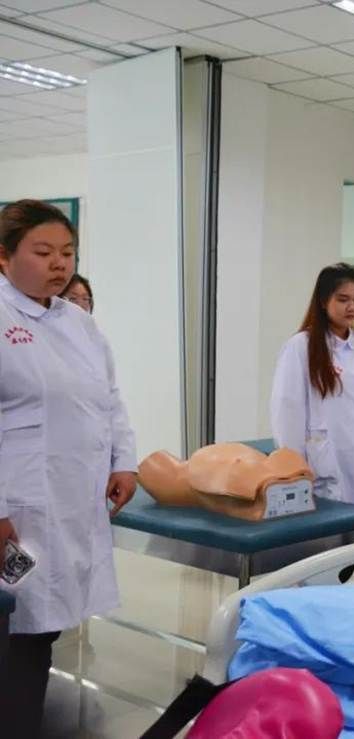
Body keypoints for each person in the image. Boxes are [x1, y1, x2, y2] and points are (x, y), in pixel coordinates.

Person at [0, 200, 137, 738]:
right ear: (4, 257)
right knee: (17, 624)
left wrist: (124, 461)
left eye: (67, 252)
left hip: (72, 500)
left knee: (45, 623)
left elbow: (109, 397)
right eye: (43, 252)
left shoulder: (78, 322)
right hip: (18, 510)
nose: (59, 263)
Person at [270, 263, 354, 506]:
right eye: (343, 299)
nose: (352, 307)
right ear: (323, 301)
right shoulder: (301, 346)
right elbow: (287, 412)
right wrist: (294, 471)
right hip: (324, 465)